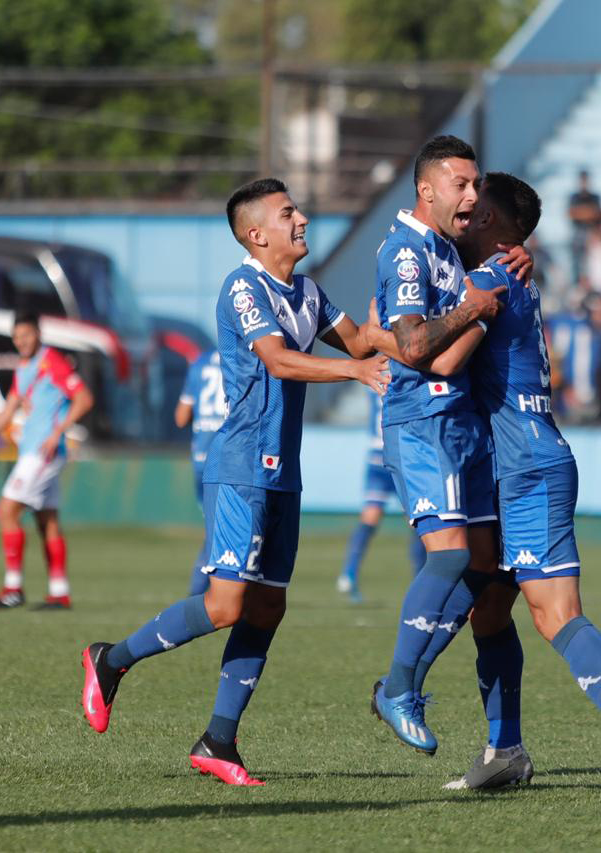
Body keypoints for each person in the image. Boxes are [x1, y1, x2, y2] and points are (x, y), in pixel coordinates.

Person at [79, 178, 390, 786]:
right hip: (243, 464)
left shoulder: (309, 292)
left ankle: (219, 741)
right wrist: (356, 369)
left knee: (268, 606)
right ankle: (109, 660)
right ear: (257, 234)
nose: (300, 219)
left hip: (285, 472)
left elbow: (365, 340)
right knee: (226, 605)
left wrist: (418, 326)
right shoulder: (244, 288)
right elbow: (278, 358)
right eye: (287, 212)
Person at [414, 172, 601, 801]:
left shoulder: (491, 280)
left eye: (478, 213)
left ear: (501, 228)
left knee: (554, 612)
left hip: (529, 465)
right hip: (512, 466)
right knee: (491, 609)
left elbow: (438, 359)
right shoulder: (508, 272)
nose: (466, 216)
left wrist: (385, 337)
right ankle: (504, 751)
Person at [360, 134, 530, 756]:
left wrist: (517, 258)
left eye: (475, 184)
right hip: (422, 423)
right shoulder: (407, 251)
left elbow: (496, 247)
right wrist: (475, 309)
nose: (471, 196)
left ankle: (499, 744)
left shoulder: (445, 248)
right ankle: (399, 688)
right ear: (426, 190)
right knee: (453, 557)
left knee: (487, 571)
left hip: (462, 425)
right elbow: (411, 346)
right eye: (460, 185)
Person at [0, 310, 93, 610]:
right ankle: (59, 592)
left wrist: (57, 430)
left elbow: (84, 398)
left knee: (6, 510)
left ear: (38, 335)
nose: (22, 341)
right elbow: (6, 414)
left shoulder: (52, 362)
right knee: (47, 521)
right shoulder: (24, 369)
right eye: (17, 337)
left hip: (43, 453)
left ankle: (13, 588)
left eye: (27, 335)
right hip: (34, 452)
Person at [335, 388, 426, 603]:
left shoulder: (375, 378)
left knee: (372, 517)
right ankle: (420, 581)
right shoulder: (406, 377)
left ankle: (349, 573)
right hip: (400, 456)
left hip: (378, 456)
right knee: (418, 519)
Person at [174, 348, 225, 595]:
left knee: (215, 527)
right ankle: (198, 595)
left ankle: (204, 593)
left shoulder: (199, 363)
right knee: (222, 529)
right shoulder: (243, 358)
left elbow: (181, 418)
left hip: (201, 457)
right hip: (228, 457)